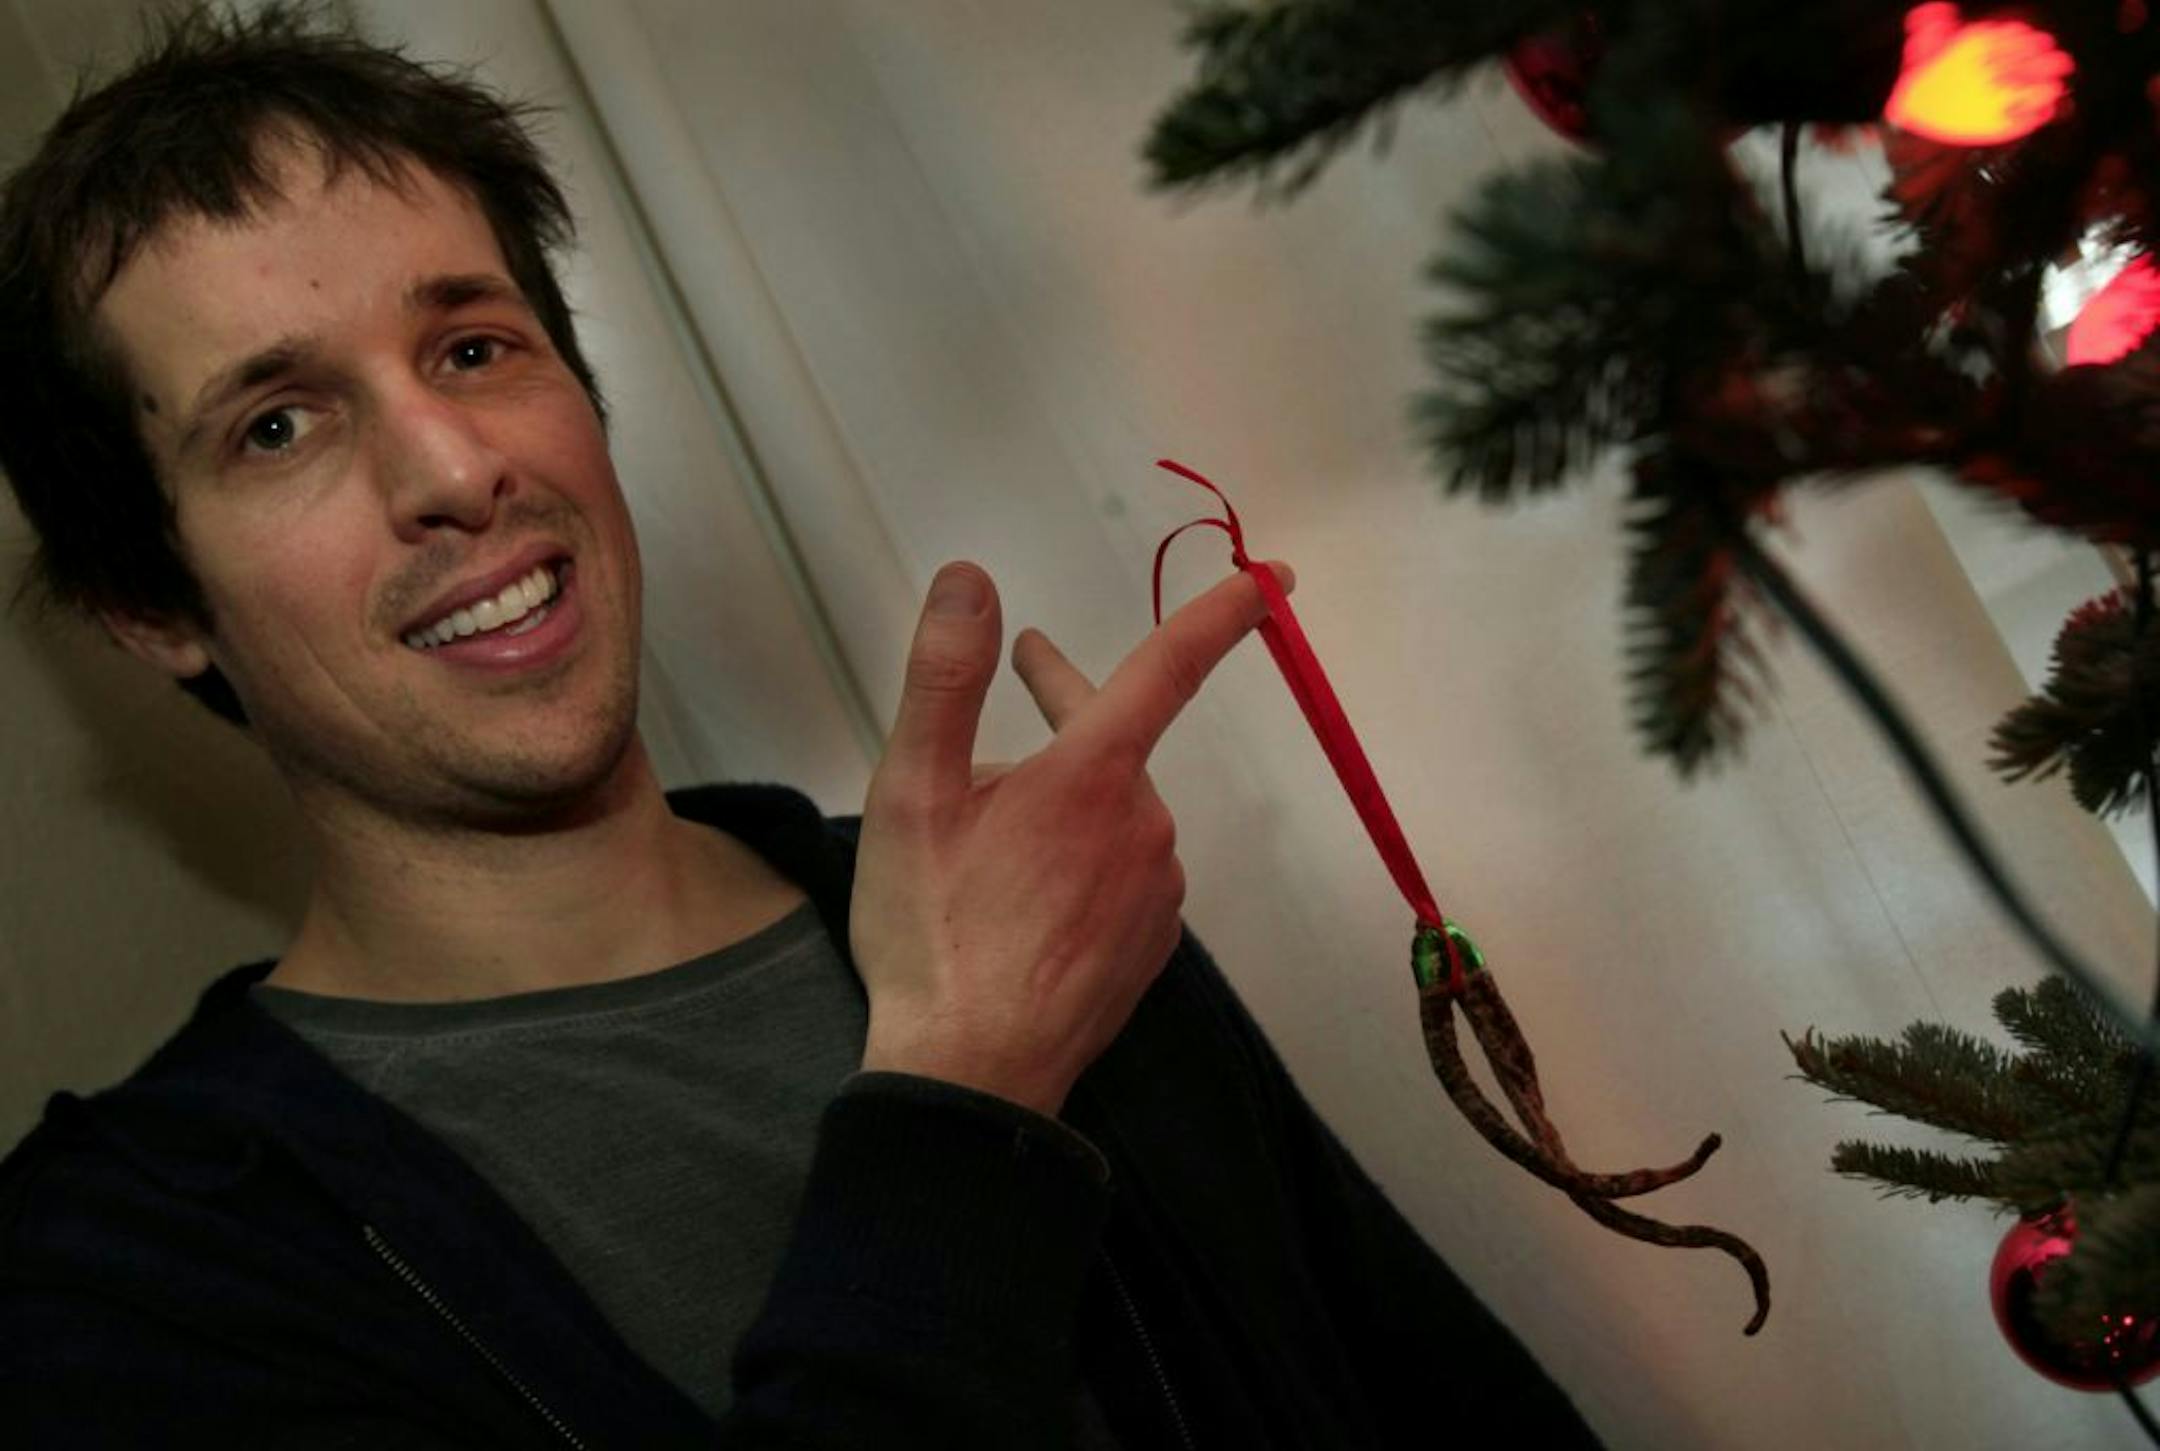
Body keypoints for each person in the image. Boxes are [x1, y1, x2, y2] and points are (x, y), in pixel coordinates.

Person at [0, 7, 1599, 1447]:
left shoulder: (1030, 902)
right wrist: (965, 1093)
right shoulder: (122, 1279)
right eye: (277, 425)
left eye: (474, 348)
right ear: (154, 606)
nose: (451, 469)